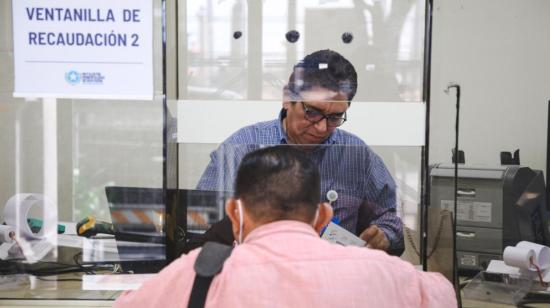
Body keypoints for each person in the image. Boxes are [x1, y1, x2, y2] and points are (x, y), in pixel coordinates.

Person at [114, 146, 456, 307]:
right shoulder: (380, 271)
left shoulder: (199, 274)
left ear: (235, 214)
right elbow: (444, 293)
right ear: (322, 216)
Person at [194, 49, 403, 255]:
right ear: (287, 98)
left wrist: (384, 234)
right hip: (258, 276)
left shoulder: (357, 156)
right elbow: (201, 222)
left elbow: (392, 218)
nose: (322, 128)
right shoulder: (241, 149)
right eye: (312, 112)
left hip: (334, 279)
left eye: (335, 117)